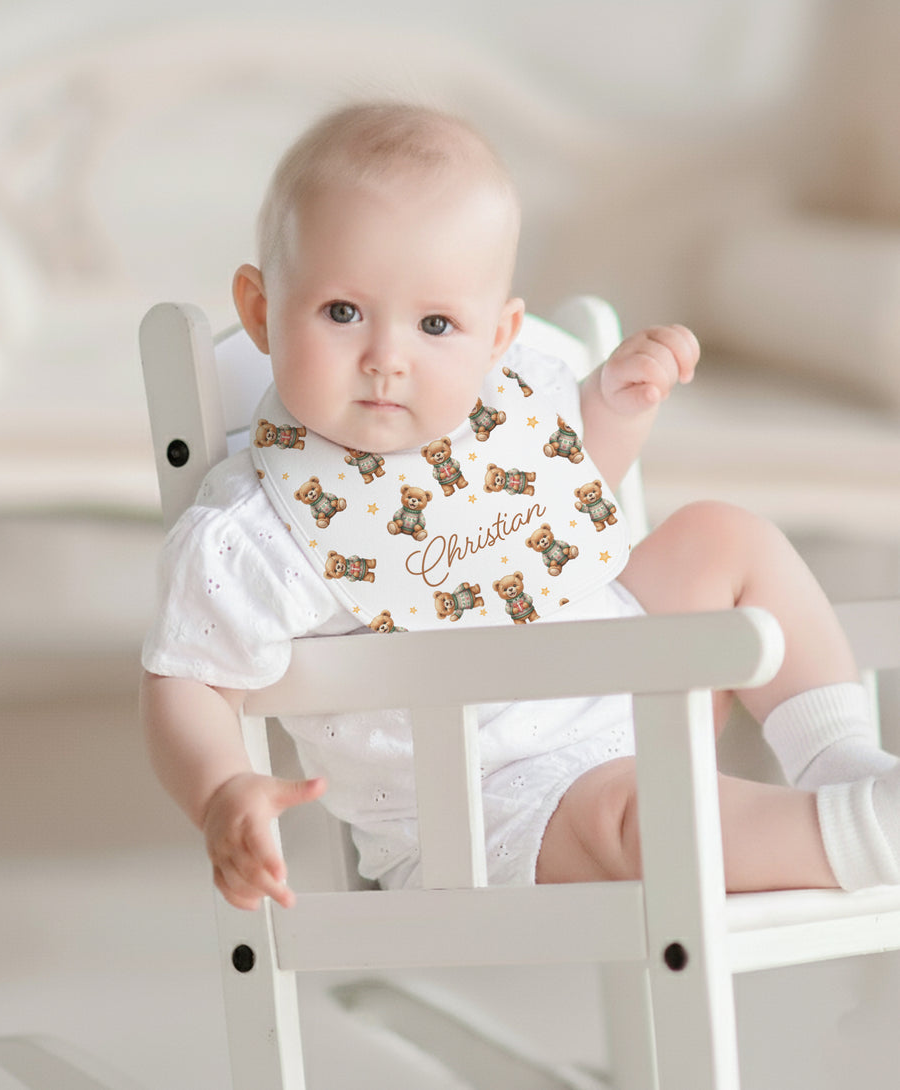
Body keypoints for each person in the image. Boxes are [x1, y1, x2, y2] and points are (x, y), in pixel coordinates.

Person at [141, 100, 900, 910]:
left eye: (436, 324)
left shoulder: (506, 413)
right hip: (490, 809)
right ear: (261, 310)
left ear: (499, 338)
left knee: (723, 537)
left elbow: (557, 509)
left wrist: (614, 409)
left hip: (627, 689)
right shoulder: (257, 534)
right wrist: (221, 790)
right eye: (343, 313)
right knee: (632, 813)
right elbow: (187, 681)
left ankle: (844, 762)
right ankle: (862, 835)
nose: (387, 358)